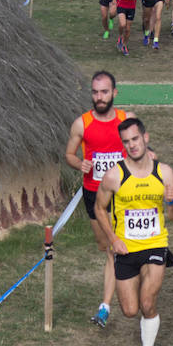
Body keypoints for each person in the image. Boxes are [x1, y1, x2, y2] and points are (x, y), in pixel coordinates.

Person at [94, 117, 173, 346]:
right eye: (126, 142)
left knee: (147, 303)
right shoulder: (114, 175)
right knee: (131, 310)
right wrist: (113, 239)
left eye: (135, 139)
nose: (132, 145)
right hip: (126, 249)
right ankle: (143, 319)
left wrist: (171, 203)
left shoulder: (164, 173)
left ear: (146, 138)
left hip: (156, 244)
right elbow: (99, 209)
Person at [65, 72, 137, 327]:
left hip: (121, 193)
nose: (99, 97)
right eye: (95, 92)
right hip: (93, 194)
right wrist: (79, 164)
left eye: (104, 92)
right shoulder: (81, 124)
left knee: (112, 250)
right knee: (104, 245)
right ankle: (128, 271)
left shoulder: (126, 120)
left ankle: (105, 306)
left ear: (114, 93)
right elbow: (69, 155)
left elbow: (139, 149)